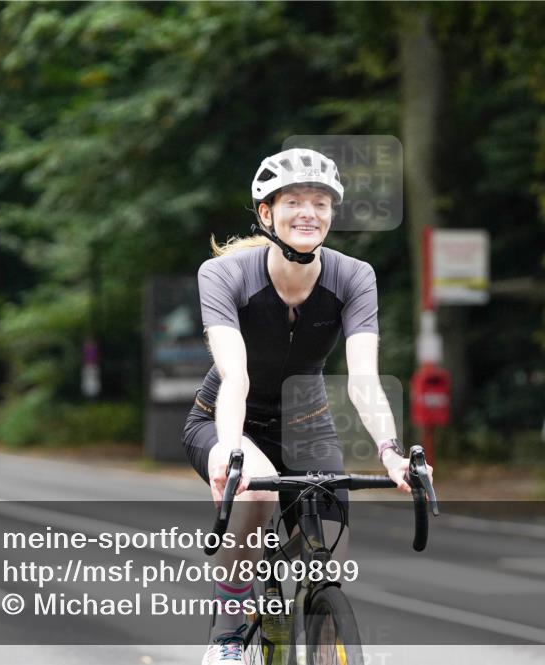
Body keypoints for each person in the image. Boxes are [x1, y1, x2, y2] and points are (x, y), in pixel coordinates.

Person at [182, 148, 432, 664]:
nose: (308, 213)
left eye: (320, 203)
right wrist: (229, 450)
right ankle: (228, 635)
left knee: (327, 554)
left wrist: (390, 453)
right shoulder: (224, 274)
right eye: (293, 201)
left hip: (307, 423)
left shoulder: (354, 276)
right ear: (266, 213)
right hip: (226, 419)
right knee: (256, 494)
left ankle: (316, 633)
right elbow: (235, 375)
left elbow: (363, 379)